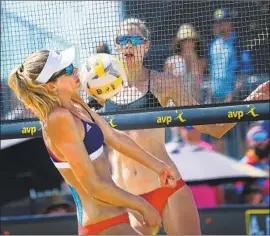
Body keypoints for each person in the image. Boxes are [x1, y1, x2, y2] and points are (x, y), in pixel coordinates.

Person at [92, 18, 269, 235]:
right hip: (128, 199)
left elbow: (214, 129)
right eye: (123, 39)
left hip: (167, 189)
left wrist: (252, 99)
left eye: (135, 39)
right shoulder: (101, 89)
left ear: (146, 45)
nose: (129, 45)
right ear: (116, 45)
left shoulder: (163, 82)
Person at [7, 47, 178, 235]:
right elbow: (93, 186)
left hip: (114, 216)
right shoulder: (58, 119)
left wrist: (159, 167)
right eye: (68, 70)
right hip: (101, 225)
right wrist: (142, 206)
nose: (76, 71)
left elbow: (114, 137)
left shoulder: (74, 101)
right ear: (51, 86)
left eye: (72, 66)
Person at [164, 23, 207, 103]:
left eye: (191, 40)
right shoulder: (170, 62)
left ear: (195, 42)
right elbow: (167, 86)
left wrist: (193, 58)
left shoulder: (201, 62)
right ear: (179, 43)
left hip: (196, 103)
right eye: (184, 41)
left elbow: (198, 82)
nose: (188, 43)